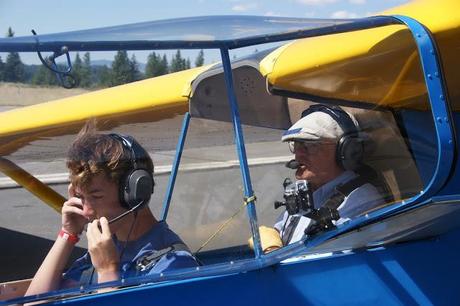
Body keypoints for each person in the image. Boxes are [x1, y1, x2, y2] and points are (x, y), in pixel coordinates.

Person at [25, 121, 198, 296]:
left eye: (96, 196)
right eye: (81, 197)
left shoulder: (174, 265)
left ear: (134, 193)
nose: (86, 211)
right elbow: (33, 302)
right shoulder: (106, 249)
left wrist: (108, 272)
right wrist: (68, 234)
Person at [252, 104, 385, 253]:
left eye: (309, 146)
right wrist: (271, 241)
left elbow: (326, 262)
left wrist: (273, 254)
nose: (298, 155)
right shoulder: (307, 192)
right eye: (296, 145)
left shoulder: (361, 199)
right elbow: (280, 231)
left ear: (347, 151)